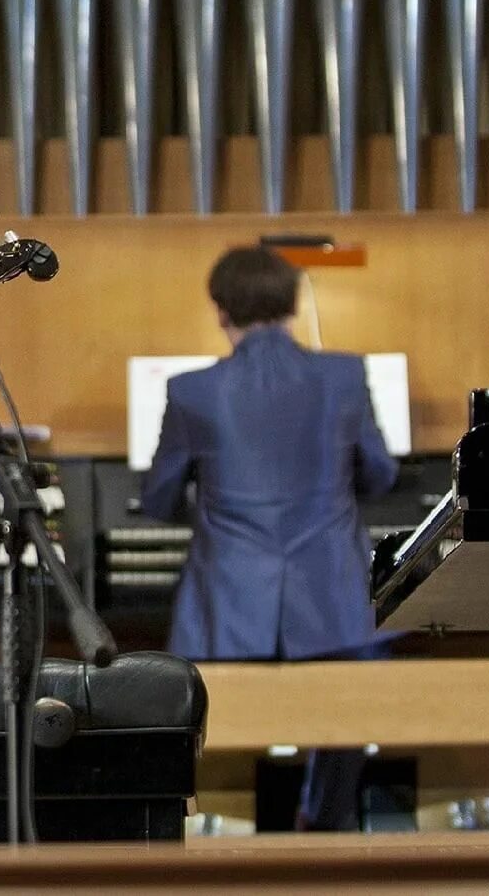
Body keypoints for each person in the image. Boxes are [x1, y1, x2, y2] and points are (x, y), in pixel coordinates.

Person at [140, 243, 398, 831]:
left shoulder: (190, 391)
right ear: (291, 304)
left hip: (229, 610)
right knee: (355, 691)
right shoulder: (345, 374)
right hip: (333, 608)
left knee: (186, 706)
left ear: (220, 311)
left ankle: (215, 833)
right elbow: (381, 476)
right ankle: (323, 821)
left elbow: (157, 498)